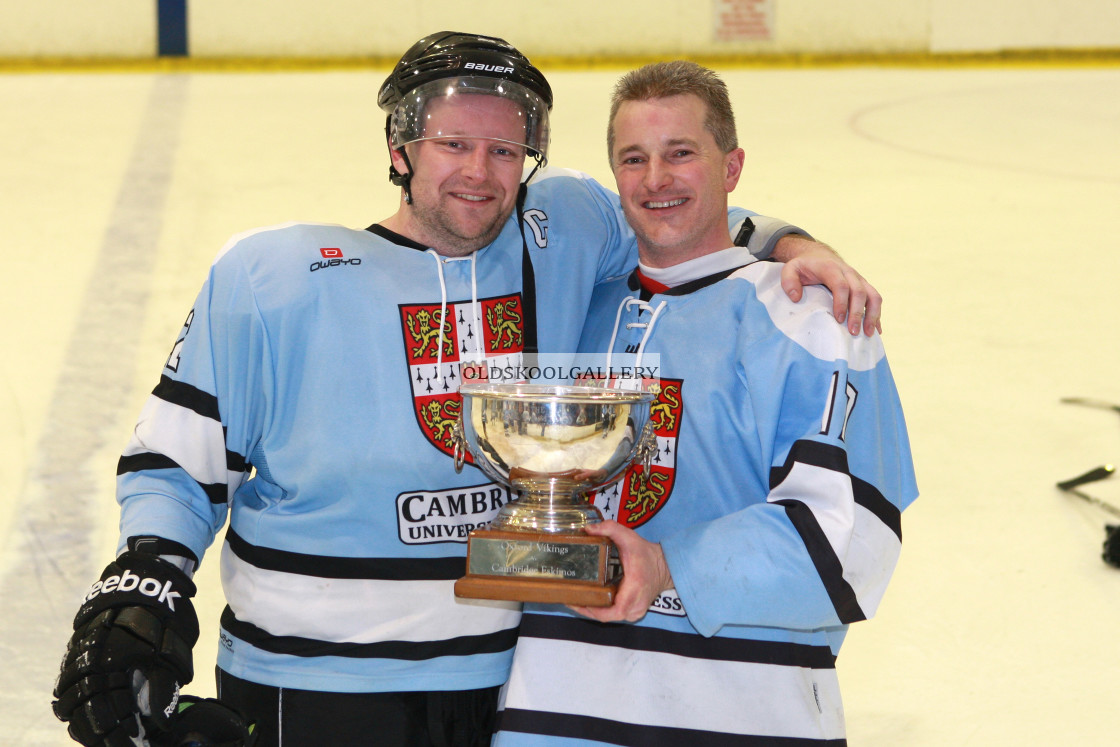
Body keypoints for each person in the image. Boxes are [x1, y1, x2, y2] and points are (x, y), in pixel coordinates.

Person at [51, 33, 885, 747]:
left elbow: (671, 208)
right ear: (400, 149)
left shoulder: (558, 233)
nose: (481, 173)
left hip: (506, 690)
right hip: (306, 688)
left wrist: (796, 245)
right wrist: (150, 571)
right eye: (453, 144)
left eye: (504, 151)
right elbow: (175, 459)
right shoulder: (273, 277)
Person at [492, 61, 918, 746]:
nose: (655, 179)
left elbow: (846, 543)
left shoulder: (808, 315)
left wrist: (667, 564)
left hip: (742, 715)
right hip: (552, 715)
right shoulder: (580, 303)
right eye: (634, 159)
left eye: (681, 153)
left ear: (733, 166)